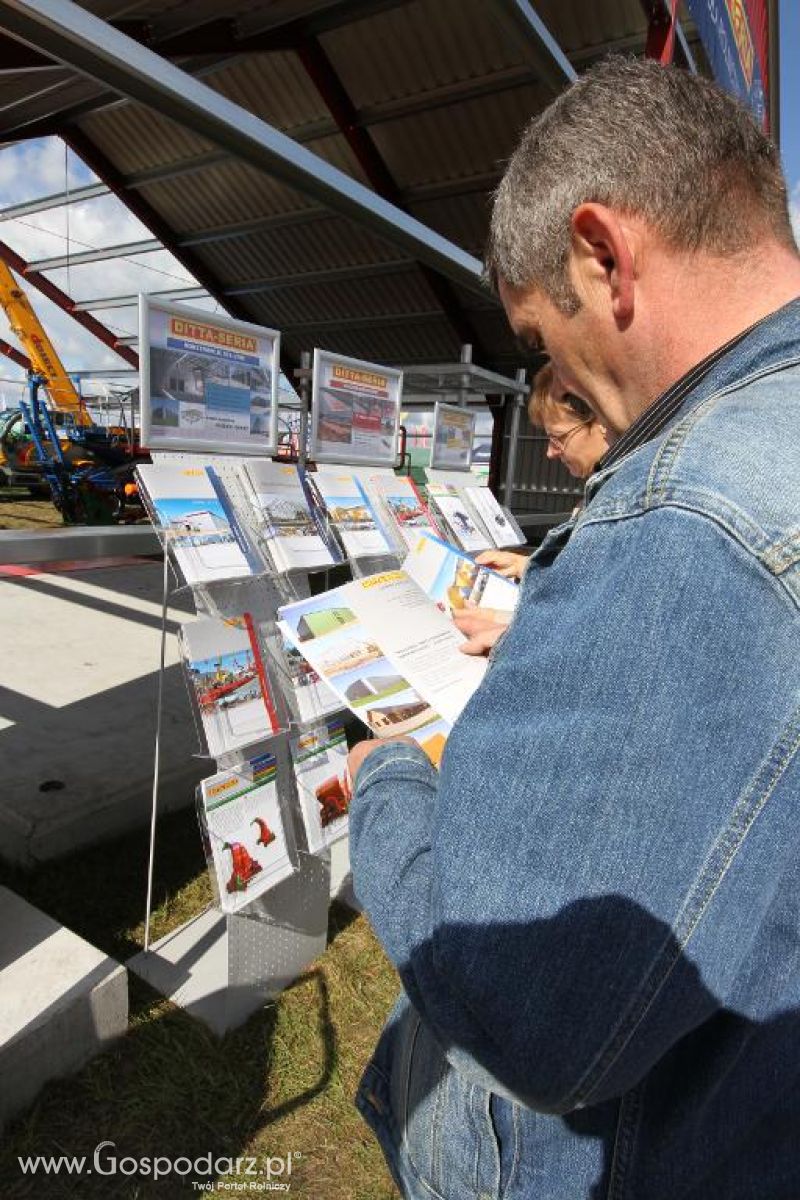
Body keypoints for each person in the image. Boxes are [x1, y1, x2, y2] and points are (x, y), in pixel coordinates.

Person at [347, 56, 800, 1200]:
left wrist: (389, 784)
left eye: (544, 338)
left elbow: (535, 1017)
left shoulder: (688, 519)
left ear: (601, 257)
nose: (558, 383)